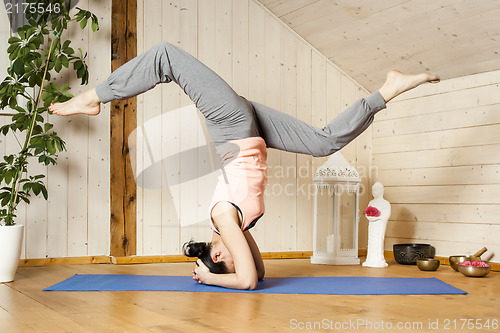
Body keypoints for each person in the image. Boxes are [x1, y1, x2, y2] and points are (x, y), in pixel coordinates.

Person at [49, 42, 440, 290]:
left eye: (231, 257)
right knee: (324, 142)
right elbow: (260, 274)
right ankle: (389, 89)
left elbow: (249, 281)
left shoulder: (223, 217)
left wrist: (211, 280)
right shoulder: (239, 225)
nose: (244, 256)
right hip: (252, 127)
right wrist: (220, 274)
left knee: (165, 55)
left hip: (232, 123)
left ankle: (92, 97)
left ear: (219, 255)